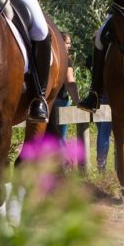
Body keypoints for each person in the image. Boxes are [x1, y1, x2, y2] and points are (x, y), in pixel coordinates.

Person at [48, 33, 86, 171]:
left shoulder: (48, 56)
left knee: (51, 137)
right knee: (60, 137)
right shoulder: (65, 59)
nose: (69, 46)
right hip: (61, 102)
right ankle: (65, 164)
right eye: (67, 43)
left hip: (48, 101)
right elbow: (70, 82)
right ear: (60, 42)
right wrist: (78, 101)